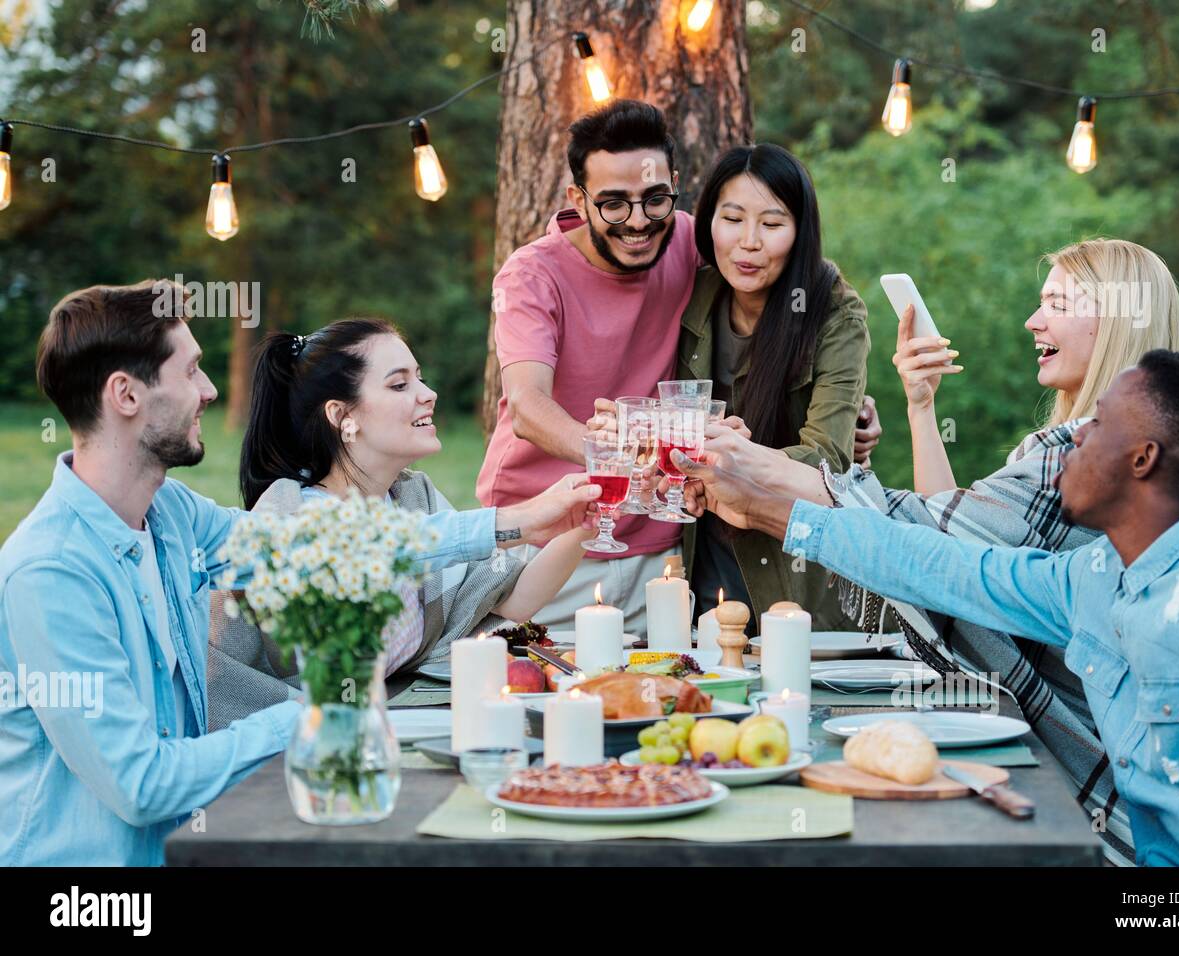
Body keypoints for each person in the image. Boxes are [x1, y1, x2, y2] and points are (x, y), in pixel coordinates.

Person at [0, 281, 600, 865]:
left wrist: (520, 521)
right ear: (125, 396)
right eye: (190, 371)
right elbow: (142, 787)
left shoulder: (170, 514)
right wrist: (318, 710)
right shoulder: (54, 573)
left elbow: (335, 541)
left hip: (203, 843)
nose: (210, 390)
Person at [678, 349, 1179, 866]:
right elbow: (940, 565)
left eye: (1099, 424)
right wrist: (760, 506)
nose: (1074, 436)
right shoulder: (1091, 579)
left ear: (1143, 458)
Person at [687, 238, 1179, 863]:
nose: (1034, 321)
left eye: (1057, 303)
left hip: (1097, 789)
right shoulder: (1111, 446)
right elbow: (955, 559)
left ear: (1118, 317)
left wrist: (753, 469)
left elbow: (929, 539)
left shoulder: (1084, 456)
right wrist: (922, 409)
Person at [208, 319, 592, 729]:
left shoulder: (410, 499)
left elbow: (508, 600)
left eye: (420, 379)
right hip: (290, 739)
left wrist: (585, 519)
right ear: (341, 415)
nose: (428, 395)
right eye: (399, 385)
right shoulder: (295, 517)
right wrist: (519, 521)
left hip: (383, 722)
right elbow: (367, 553)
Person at [476, 99, 701, 634]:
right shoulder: (531, 275)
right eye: (614, 204)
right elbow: (529, 409)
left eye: (654, 199)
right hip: (543, 544)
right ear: (578, 198)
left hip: (659, 547)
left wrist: (845, 398)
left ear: (673, 183)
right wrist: (620, 455)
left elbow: (784, 277)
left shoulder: (691, 239)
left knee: (664, 698)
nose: (638, 222)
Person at [658, 143, 870, 628]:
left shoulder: (834, 312)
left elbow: (828, 461)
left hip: (791, 570)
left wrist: (728, 457)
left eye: (772, 225)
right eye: (732, 219)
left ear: (800, 233)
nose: (749, 242)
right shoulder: (695, 293)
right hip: (702, 561)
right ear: (707, 220)